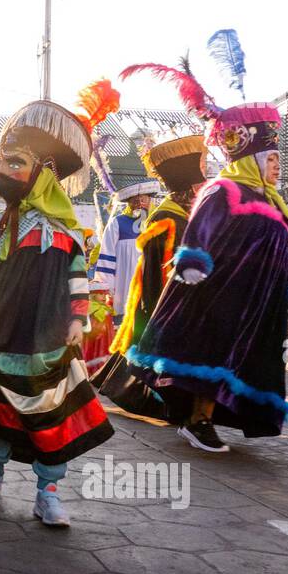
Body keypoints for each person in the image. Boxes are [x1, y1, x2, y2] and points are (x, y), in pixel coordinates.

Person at [0, 85, 118, 527]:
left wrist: (77, 318)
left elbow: (78, 279)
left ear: (44, 173)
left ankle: (48, 491)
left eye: (15, 163)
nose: (3, 171)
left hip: (51, 333)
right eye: (4, 162)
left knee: (50, 409)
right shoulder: (3, 224)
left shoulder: (66, 230)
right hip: (1, 329)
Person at [124, 92, 288, 454]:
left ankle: (215, 416)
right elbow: (199, 230)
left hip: (257, 301)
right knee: (211, 356)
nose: (276, 165)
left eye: (277, 158)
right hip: (219, 294)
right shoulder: (223, 189)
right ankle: (197, 420)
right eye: (271, 158)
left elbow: (277, 251)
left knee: (245, 361)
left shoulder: (272, 200)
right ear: (252, 158)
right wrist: (192, 261)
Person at [94, 132, 208, 413]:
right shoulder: (165, 219)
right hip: (163, 304)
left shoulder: (181, 216)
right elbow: (159, 275)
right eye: (201, 182)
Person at [94, 179, 159, 325]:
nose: (140, 204)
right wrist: (106, 287)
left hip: (152, 282)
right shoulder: (117, 222)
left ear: (150, 200)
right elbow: (107, 256)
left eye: (143, 200)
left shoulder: (158, 222)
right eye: (135, 201)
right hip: (124, 285)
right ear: (129, 203)